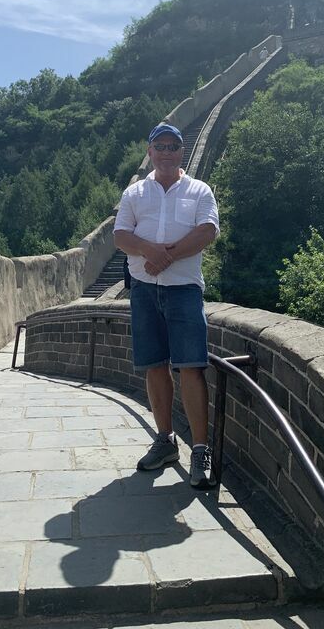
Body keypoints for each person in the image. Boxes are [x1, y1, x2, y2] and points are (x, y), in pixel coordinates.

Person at [113, 123, 219, 488]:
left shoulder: (199, 190)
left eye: (173, 146)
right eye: (160, 146)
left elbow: (207, 231)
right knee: (154, 366)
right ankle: (165, 440)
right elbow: (120, 235)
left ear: (182, 151)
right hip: (144, 291)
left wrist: (165, 257)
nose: (167, 152)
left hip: (183, 290)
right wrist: (148, 251)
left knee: (191, 366)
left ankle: (200, 451)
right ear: (150, 152)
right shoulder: (135, 193)